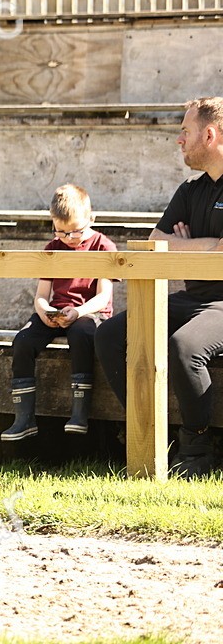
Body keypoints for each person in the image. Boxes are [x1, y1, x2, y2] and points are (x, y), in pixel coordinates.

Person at [98, 97, 223, 477]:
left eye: (185, 131)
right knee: (110, 334)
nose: (179, 140)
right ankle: (151, 436)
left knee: (184, 347)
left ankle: (198, 449)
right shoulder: (190, 189)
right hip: (193, 298)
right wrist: (205, 245)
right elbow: (155, 241)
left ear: (210, 134)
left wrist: (183, 242)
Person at [1, 185, 116, 441]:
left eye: (76, 230)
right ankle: (24, 419)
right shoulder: (53, 247)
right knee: (23, 341)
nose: (70, 237)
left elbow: (102, 297)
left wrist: (78, 311)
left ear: (91, 218)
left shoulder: (103, 245)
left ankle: (79, 413)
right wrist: (44, 312)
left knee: (80, 332)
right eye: (61, 231)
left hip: (90, 312)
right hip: (58, 311)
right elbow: (41, 295)